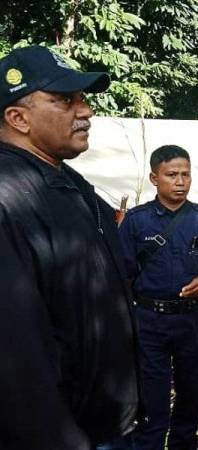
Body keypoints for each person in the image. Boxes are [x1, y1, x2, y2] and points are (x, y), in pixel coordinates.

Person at [0, 45, 140, 449]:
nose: (86, 111)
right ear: (18, 118)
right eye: (65, 100)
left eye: (83, 98)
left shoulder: (72, 185)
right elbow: (14, 356)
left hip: (113, 423)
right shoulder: (9, 200)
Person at [118, 144, 198, 450]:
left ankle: (184, 444)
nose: (180, 181)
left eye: (185, 174)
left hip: (194, 319)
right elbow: (120, 273)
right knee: (152, 400)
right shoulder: (136, 221)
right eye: (171, 174)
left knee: (193, 393)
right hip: (149, 321)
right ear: (154, 178)